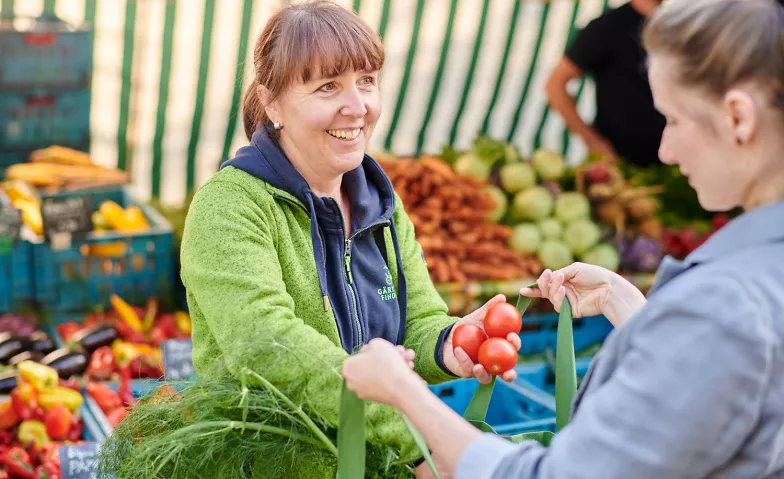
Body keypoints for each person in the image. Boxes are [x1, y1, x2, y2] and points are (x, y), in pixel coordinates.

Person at [343, 0, 784, 477]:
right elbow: (709, 388)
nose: (665, 149)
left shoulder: (724, 302)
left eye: (673, 120)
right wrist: (625, 302)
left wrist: (404, 396)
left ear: (738, 118)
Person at [179, 1, 521, 476]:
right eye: (327, 87)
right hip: (275, 463)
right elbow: (266, 345)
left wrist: (450, 343)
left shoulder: (378, 201)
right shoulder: (231, 207)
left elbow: (416, 319)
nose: (357, 107)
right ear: (272, 102)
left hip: (378, 462)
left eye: (367, 81)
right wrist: (418, 439)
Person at [545, 0, 664, 166]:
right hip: (620, 164)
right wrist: (592, 141)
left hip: (673, 161)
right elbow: (555, 85)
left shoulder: (678, 27)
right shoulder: (608, 26)